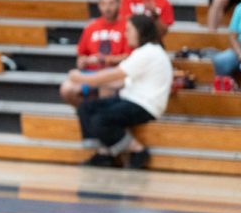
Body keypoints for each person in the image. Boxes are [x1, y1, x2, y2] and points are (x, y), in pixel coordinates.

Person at [68, 14, 172, 169]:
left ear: (140, 31)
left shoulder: (148, 52)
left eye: (129, 30)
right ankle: (104, 153)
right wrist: (91, 84)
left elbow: (114, 74)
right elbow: (120, 81)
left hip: (146, 105)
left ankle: (139, 150)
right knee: (86, 108)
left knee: (101, 118)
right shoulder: (143, 52)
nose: (125, 34)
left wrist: (82, 78)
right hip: (131, 99)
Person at [58, 0, 129, 106]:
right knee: (66, 89)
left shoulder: (127, 26)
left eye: (111, 3)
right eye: (104, 4)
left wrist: (104, 59)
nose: (107, 8)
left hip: (114, 73)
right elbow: (81, 54)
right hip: (90, 72)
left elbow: (129, 57)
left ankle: (100, 120)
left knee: (106, 85)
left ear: (119, 4)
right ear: (99, 6)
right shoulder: (91, 27)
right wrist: (81, 61)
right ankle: (85, 115)